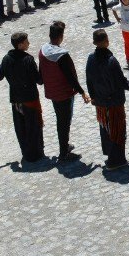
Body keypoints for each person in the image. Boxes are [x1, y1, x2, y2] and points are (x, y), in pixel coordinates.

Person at [86, 28, 129, 170]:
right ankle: (116, 160)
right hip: (114, 104)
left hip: (100, 104)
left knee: (105, 130)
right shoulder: (112, 61)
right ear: (107, 42)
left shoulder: (90, 59)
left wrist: (93, 97)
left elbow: (89, 81)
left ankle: (111, 156)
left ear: (94, 42)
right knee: (117, 131)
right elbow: (124, 84)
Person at [38, 21, 90, 162]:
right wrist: (82, 92)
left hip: (53, 93)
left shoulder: (42, 51)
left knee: (61, 121)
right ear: (61, 36)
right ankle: (63, 153)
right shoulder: (62, 55)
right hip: (64, 94)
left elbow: (40, 76)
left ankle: (64, 146)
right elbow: (71, 77)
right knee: (64, 123)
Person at [0, 32, 45, 163]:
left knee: (20, 127)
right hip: (30, 99)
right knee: (33, 126)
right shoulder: (28, 59)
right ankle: (36, 153)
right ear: (20, 44)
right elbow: (39, 80)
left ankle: (26, 153)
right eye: (27, 41)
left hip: (16, 100)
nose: (29, 43)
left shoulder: (6, 59)